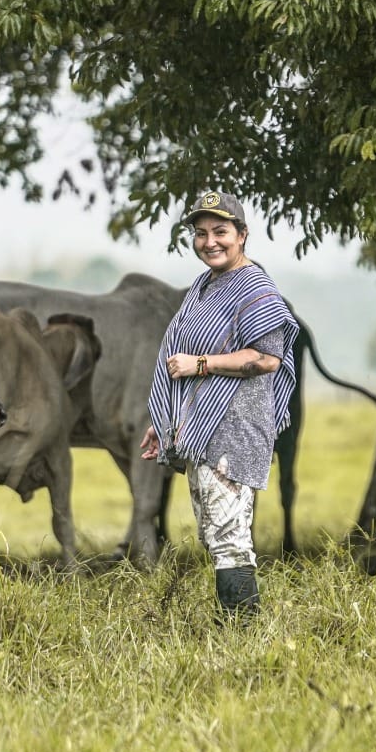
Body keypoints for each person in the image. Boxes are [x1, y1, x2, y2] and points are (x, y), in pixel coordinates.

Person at [140, 190, 299, 617]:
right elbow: (178, 352)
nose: (210, 241)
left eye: (221, 232)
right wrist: (166, 419)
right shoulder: (204, 285)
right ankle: (234, 628)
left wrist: (202, 364)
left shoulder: (255, 288)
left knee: (229, 534)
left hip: (232, 429)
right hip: (200, 429)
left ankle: (242, 633)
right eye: (201, 233)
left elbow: (266, 358)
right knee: (213, 531)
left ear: (243, 235)